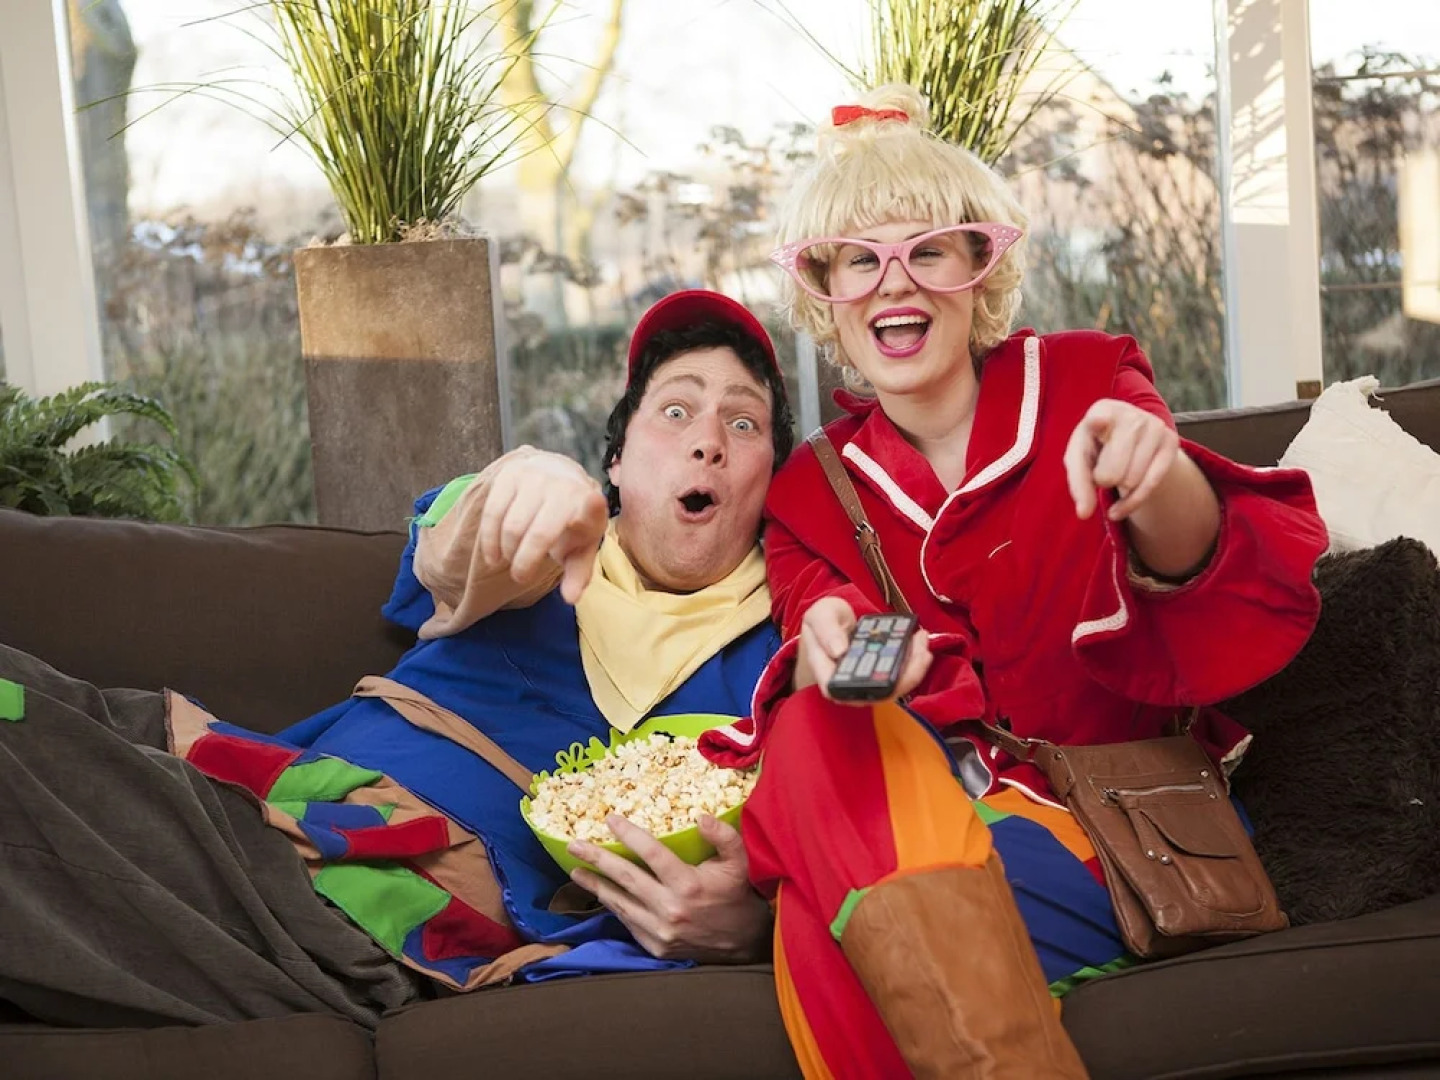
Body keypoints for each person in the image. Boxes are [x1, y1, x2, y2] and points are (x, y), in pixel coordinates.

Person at [698, 86, 1330, 1079]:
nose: (891, 283)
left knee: (824, 930)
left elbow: (1194, 560)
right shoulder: (808, 487)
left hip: (1125, 830)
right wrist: (830, 635)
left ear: (978, 270)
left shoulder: (1090, 377)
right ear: (824, 292)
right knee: (815, 728)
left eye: (929, 250)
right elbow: (814, 620)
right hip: (937, 815)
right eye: (859, 260)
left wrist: (1159, 473)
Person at [0, 289, 793, 1027]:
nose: (706, 443)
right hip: (244, 791)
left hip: (365, 896)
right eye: (676, 409)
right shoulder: (541, 548)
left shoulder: (780, 658)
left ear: (770, 483)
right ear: (615, 461)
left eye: (744, 424)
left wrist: (756, 925)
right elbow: (451, 557)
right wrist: (521, 483)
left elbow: (831, 846)